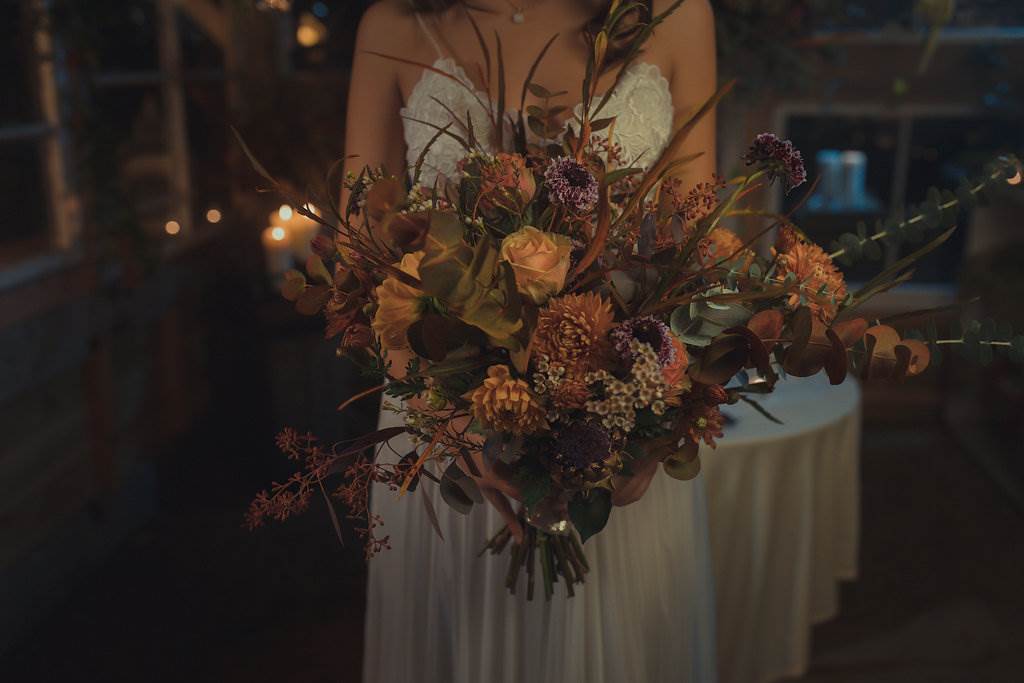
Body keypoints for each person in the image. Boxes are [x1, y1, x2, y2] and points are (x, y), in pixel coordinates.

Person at [343, 1, 719, 680]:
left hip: (622, 426)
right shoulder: (393, 24)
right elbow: (361, 257)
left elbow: (698, 248)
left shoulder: (677, 14)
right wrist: (448, 421)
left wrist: (657, 432)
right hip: (444, 420)